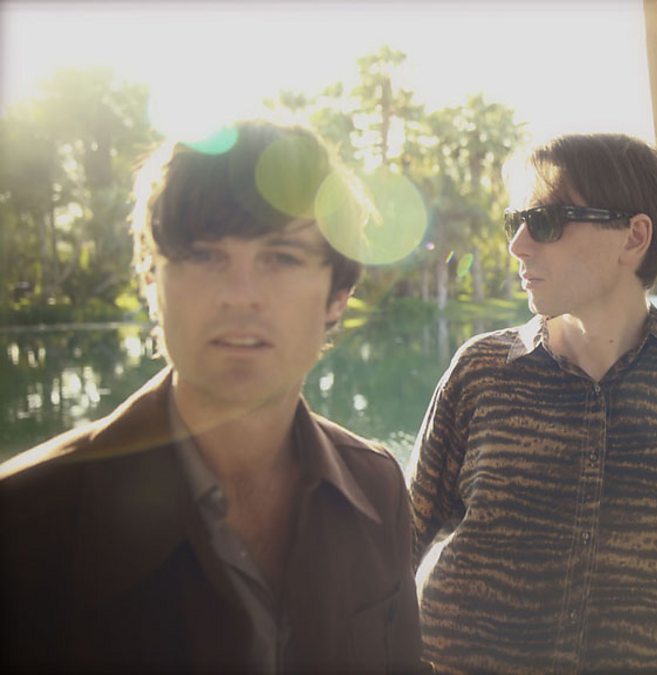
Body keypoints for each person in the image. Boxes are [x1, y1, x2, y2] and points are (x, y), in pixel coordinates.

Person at [0, 119, 427, 673]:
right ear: (151, 282)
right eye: (204, 255)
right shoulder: (25, 520)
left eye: (281, 257)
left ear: (337, 295)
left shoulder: (376, 485)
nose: (240, 296)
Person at [406, 132, 657, 672]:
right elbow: (403, 536)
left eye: (545, 221)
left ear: (634, 237)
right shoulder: (482, 370)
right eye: (514, 221)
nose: (518, 244)